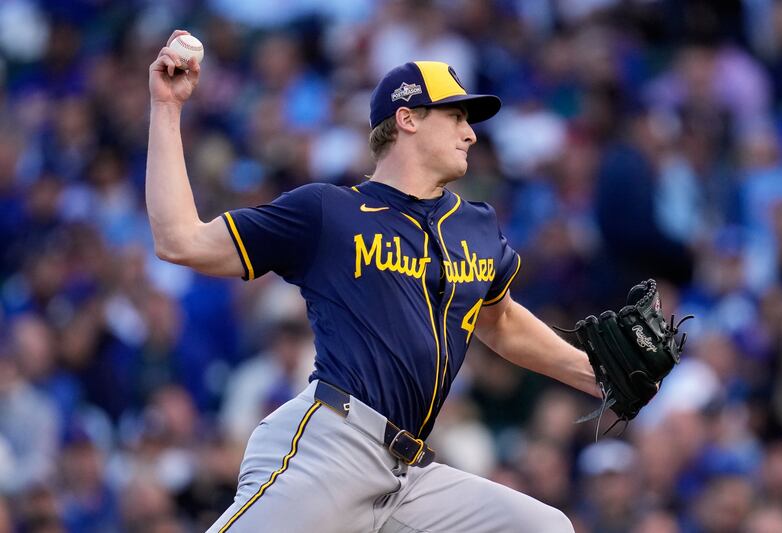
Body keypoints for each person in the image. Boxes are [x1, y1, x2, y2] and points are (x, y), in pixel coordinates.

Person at [147, 29, 600, 533]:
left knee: (543, 528)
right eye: (455, 116)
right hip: (333, 449)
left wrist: (594, 374)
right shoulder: (330, 212)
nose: (470, 133)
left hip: (409, 476)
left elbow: (501, 322)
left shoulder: (475, 224)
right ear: (407, 119)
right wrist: (167, 108)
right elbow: (179, 240)